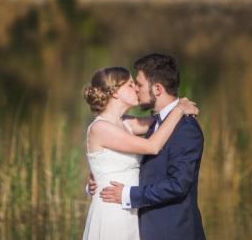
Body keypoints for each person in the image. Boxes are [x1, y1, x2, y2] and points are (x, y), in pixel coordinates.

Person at [81, 64, 199, 240]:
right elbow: (152, 146)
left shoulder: (127, 123)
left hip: (130, 209)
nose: (136, 88)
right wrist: (179, 109)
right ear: (115, 92)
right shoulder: (100, 128)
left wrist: (176, 106)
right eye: (130, 84)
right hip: (113, 210)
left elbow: (161, 120)